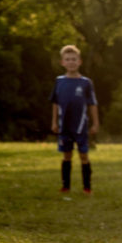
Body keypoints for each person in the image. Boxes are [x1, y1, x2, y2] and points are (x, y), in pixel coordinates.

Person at [50, 44, 99, 194]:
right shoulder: (59, 81)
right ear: (62, 62)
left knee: (83, 155)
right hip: (64, 125)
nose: (71, 62)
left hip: (80, 126)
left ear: (80, 61)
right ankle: (66, 186)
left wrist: (96, 123)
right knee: (67, 155)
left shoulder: (85, 83)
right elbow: (56, 103)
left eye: (74, 59)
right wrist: (53, 122)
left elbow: (92, 104)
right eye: (68, 59)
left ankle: (87, 187)